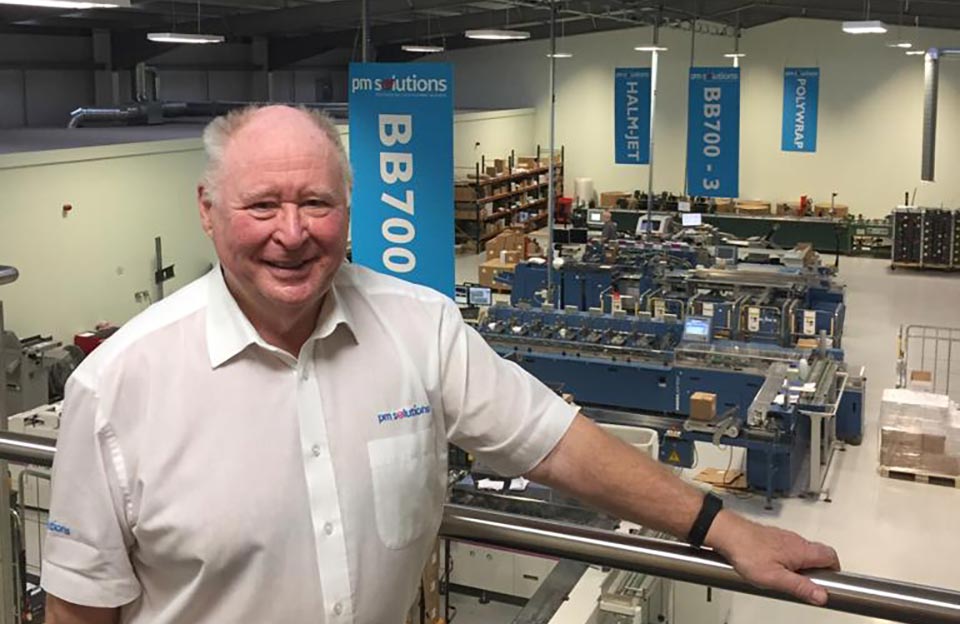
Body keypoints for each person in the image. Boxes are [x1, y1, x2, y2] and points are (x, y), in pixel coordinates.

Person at [41, 105, 839, 624]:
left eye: (316, 203)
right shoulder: (117, 389)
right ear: (208, 212)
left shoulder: (419, 328)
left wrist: (721, 525)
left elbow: (554, 439)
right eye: (262, 206)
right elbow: (81, 613)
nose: (293, 232)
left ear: (348, 211)